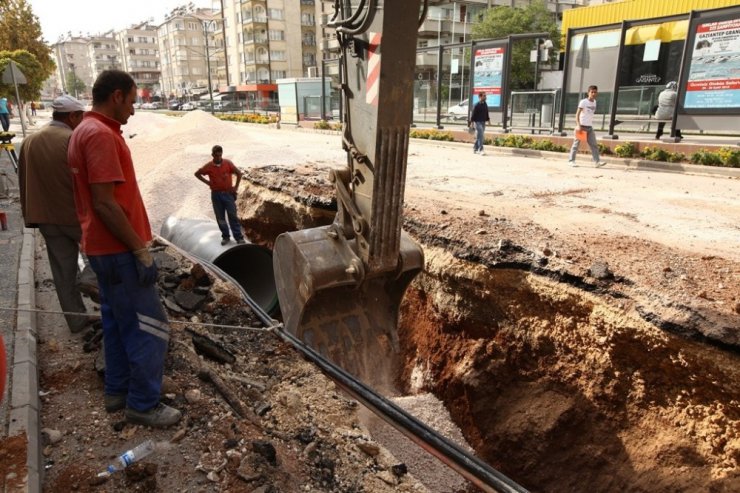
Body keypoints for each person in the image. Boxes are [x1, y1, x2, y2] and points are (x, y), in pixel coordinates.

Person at [68, 69, 181, 428]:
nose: (133, 110)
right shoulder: (100, 136)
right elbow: (105, 203)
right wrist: (140, 250)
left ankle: (117, 392)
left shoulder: (83, 131)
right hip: (117, 252)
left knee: (116, 323)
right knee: (151, 326)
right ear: (117, 96)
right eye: (132, 102)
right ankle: (143, 404)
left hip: (101, 251)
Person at [18, 95, 93, 334]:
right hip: (75, 216)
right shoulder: (72, 139)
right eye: (81, 117)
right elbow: (87, 181)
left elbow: (23, 181)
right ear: (72, 116)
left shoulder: (30, 141)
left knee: (63, 270)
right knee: (100, 260)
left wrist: (30, 215)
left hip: (46, 219)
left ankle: (76, 320)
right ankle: (93, 286)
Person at [194, 145, 245, 246]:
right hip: (216, 195)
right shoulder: (208, 166)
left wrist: (235, 187)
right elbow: (197, 174)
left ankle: (238, 237)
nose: (218, 157)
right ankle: (225, 236)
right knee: (220, 217)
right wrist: (208, 183)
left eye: (220, 155)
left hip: (228, 194)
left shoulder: (228, 163)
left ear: (222, 154)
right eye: (216, 155)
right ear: (212, 155)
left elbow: (239, 173)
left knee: (232, 215)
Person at [568, 85, 606, 168]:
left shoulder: (595, 102)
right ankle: (571, 161)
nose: (593, 93)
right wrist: (578, 125)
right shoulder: (583, 102)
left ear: (597, 93)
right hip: (581, 127)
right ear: (588, 93)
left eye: (595, 92)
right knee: (576, 144)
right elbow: (577, 114)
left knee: (594, 145)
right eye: (591, 92)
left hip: (589, 128)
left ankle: (597, 162)